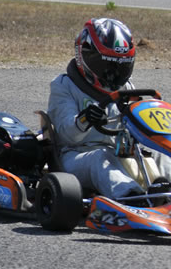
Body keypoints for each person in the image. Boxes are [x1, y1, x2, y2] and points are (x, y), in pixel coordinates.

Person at [47, 17, 171, 200]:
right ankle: (133, 199)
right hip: (75, 156)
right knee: (101, 158)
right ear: (86, 56)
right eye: (108, 66)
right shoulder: (65, 85)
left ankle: (163, 194)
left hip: (118, 153)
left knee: (159, 152)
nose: (114, 74)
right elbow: (66, 135)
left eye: (122, 66)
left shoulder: (126, 87)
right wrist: (84, 120)